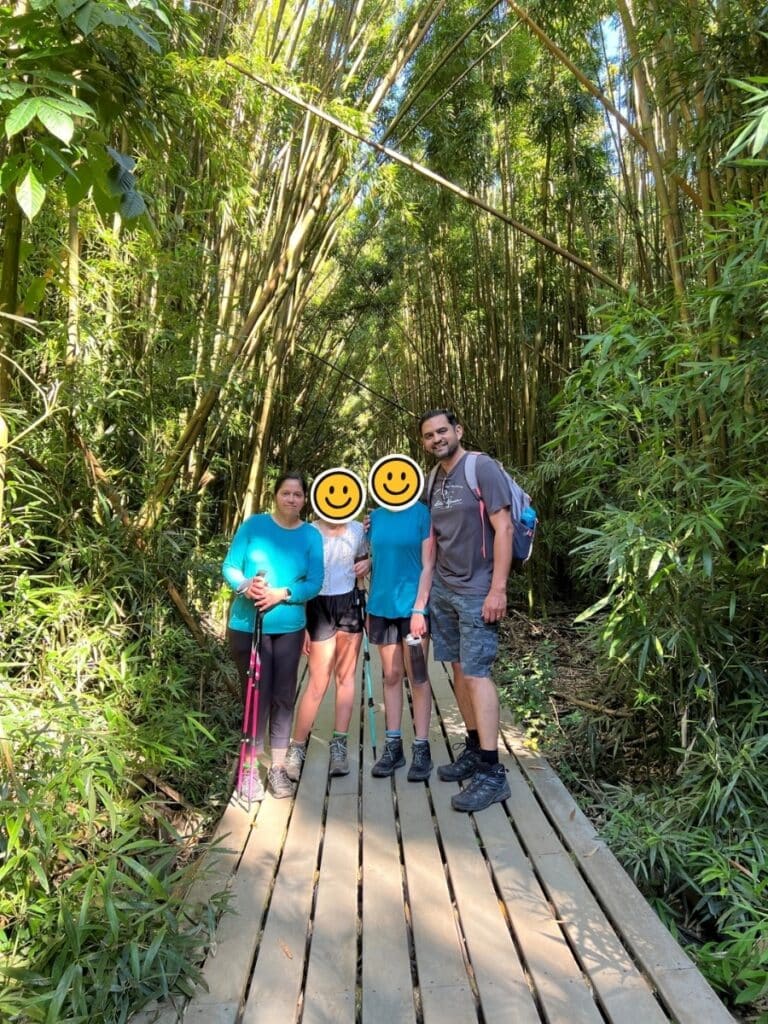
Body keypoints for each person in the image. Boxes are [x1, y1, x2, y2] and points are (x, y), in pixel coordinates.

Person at [419, 409, 513, 812]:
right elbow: (433, 537)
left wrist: (498, 589)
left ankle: (493, 773)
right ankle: (475, 748)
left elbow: (504, 528)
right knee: (458, 669)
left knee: (477, 674)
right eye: (428, 435)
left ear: (458, 431)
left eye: (442, 431)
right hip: (444, 587)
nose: (437, 438)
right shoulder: (434, 478)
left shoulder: (482, 467)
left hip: (478, 589)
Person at [222, 472, 324, 801]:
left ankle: (277, 768)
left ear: (304, 500)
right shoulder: (253, 526)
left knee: (282, 698)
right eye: (286, 493)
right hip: (248, 626)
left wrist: (284, 593)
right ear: (275, 495)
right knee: (256, 696)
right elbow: (229, 567)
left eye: (297, 495)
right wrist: (245, 585)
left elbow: (315, 582)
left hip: (288, 629)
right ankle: (249, 769)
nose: (291, 499)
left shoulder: (310, 535)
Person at [284, 518, 370, 779]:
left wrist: (368, 563)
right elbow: (298, 575)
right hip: (317, 605)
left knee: (346, 678)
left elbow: (363, 561)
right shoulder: (310, 530)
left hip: (350, 603)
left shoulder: (357, 529)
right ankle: (296, 747)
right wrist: (304, 626)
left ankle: (339, 746)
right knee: (317, 682)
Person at [366, 500, 434, 781]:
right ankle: (393, 746)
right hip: (382, 606)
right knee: (391, 676)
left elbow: (429, 565)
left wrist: (420, 607)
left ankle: (421, 747)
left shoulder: (422, 513)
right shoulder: (374, 518)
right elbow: (377, 559)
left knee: (418, 677)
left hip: (412, 609)